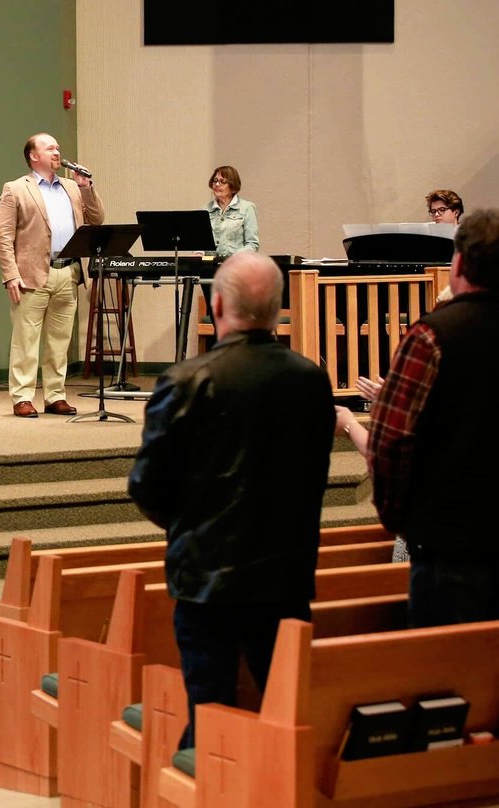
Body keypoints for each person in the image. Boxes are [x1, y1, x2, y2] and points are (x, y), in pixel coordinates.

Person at [127, 251, 335, 747]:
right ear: (277, 309)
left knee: (211, 714)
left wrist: (187, 521)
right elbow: (316, 472)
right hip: (287, 575)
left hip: (207, 579)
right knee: (287, 716)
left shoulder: (185, 381)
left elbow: (147, 486)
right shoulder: (311, 380)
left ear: (215, 304)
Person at [366, 208, 499, 628]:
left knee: (446, 681)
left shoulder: (431, 337)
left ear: (457, 264)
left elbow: (391, 439)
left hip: (447, 548)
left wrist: (400, 518)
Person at [0, 132, 104, 418]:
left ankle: (55, 395)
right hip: (31, 273)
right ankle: (22, 396)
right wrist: (10, 274)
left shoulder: (72, 186)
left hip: (68, 271)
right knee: (26, 340)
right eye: (50, 148)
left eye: (58, 146)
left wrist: (87, 187)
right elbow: (4, 235)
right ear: (34, 156)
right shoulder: (16, 188)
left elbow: (97, 220)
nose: (57, 152)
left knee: (60, 340)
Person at [206, 164, 259, 257]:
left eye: (222, 181)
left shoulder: (247, 208)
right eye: (215, 180)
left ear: (233, 186)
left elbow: (252, 244)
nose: (217, 184)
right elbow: (200, 243)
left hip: (237, 266)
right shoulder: (205, 209)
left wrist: (234, 258)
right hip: (209, 268)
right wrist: (198, 252)